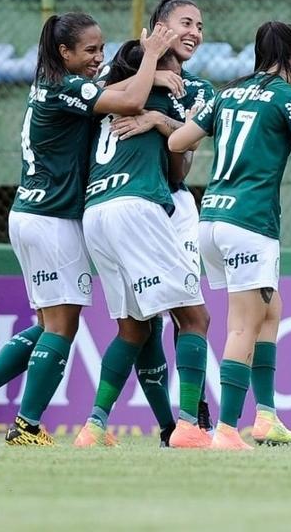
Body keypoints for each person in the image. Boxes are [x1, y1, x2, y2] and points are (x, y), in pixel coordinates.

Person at [0, 12, 176, 446]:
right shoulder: (65, 87)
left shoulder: (53, 84)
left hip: (29, 215)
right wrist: (153, 60)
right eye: (89, 50)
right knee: (62, 327)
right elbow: (127, 100)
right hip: (52, 221)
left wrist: (151, 75)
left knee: (49, 323)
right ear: (64, 52)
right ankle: (26, 426)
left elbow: (108, 88)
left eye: (102, 49)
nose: (98, 57)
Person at [168, 20, 291, 450]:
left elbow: (178, 141)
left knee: (271, 310)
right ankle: (226, 430)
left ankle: (266, 417)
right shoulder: (289, 99)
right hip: (250, 223)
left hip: (211, 221)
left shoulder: (228, 93)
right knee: (243, 324)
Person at [74, 35, 211, 451]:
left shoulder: (105, 101)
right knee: (195, 318)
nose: (177, 77)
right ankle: (189, 425)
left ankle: (93, 426)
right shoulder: (156, 95)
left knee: (133, 328)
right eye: (170, 68)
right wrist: (161, 118)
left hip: (95, 212)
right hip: (137, 208)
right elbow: (182, 154)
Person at [106, 0, 216, 444]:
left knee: (183, 313)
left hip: (175, 206)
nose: (195, 33)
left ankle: (185, 416)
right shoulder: (125, 77)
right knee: (143, 322)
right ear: (159, 29)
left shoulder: (201, 90)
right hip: (135, 207)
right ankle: (177, 424)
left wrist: (159, 121)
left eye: (201, 27)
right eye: (187, 23)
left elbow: (183, 162)